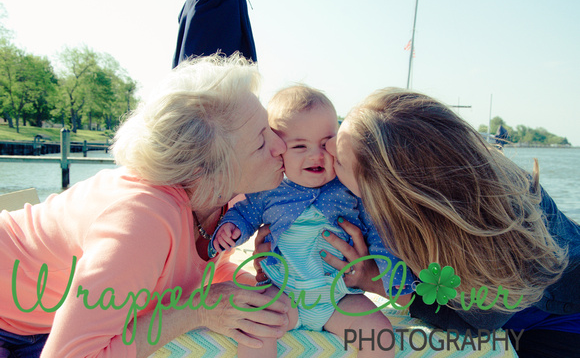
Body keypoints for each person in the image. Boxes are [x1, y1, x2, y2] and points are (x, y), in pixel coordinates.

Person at [0, 53, 290, 358]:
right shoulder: (141, 221)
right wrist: (196, 311)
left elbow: (205, 271)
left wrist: (265, 288)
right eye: (260, 142)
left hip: (47, 324)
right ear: (205, 171)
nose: (281, 145)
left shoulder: (223, 199)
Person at [317, 87, 580, 357]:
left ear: (381, 190)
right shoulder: (418, 204)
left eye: (338, 159)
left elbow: (479, 323)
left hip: (561, 319)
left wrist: (375, 282)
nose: (325, 147)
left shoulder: (495, 222)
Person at [211, 85, 415, 358]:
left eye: (325, 142)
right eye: (300, 146)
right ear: (278, 150)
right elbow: (246, 212)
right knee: (255, 325)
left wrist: (393, 279)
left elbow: (378, 233)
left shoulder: (347, 186)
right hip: (284, 290)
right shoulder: (270, 188)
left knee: (379, 333)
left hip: (341, 296)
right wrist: (232, 227)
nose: (315, 154)